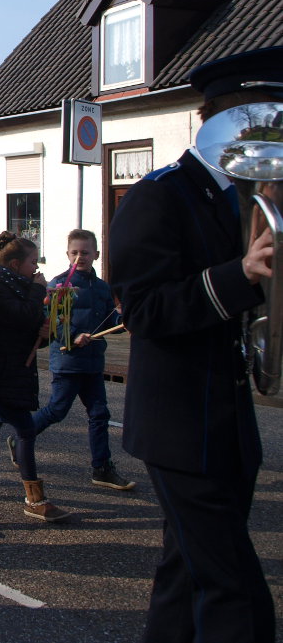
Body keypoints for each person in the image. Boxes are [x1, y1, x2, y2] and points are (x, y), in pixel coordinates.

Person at [108, 46, 281, 643]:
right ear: (229, 120)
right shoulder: (160, 195)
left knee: (185, 574)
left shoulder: (246, 198)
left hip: (228, 423)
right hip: (180, 426)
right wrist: (242, 274)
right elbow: (145, 309)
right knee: (233, 590)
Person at [0, 231, 69, 522]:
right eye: (33, 261)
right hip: (2, 365)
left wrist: (46, 334)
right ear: (16, 263)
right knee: (25, 427)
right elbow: (21, 315)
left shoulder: (22, 285)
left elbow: (30, 325)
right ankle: (34, 498)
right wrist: (37, 291)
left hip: (21, 364)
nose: (37, 267)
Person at [17, 229, 133, 491]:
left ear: (96, 255)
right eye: (75, 252)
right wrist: (72, 337)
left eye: (85, 252)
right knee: (57, 410)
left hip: (93, 363)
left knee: (99, 414)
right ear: (68, 254)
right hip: (68, 362)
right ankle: (22, 437)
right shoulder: (58, 285)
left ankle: (101, 467)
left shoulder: (103, 287)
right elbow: (51, 323)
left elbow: (109, 319)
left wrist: (122, 320)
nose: (80, 257)